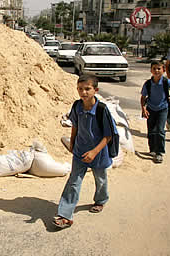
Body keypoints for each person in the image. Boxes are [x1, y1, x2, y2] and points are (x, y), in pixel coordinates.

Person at [53, 74, 114, 229]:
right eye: (80, 89)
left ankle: (100, 200)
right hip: (80, 150)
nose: (83, 92)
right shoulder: (77, 106)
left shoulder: (102, 110)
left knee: (100, 179)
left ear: (96, 90)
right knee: (74, 181)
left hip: (98, 152)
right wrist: (72, 142)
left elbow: (108, 135)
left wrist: (94, 152)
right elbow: (75, 125)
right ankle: (65, 215)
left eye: (87, 89)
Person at [141, 61, 170, 164]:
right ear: (151, 70)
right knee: (151, 130)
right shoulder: (148, 83)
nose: (156, 71)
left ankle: (159, 152)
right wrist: (143, 108)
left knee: (160, 130)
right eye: (154, 69)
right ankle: (152, 149)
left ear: (163, 70)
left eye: (159, 69)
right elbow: (143, 97)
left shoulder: (166, 82)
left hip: (163, 108)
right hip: (150, 109)